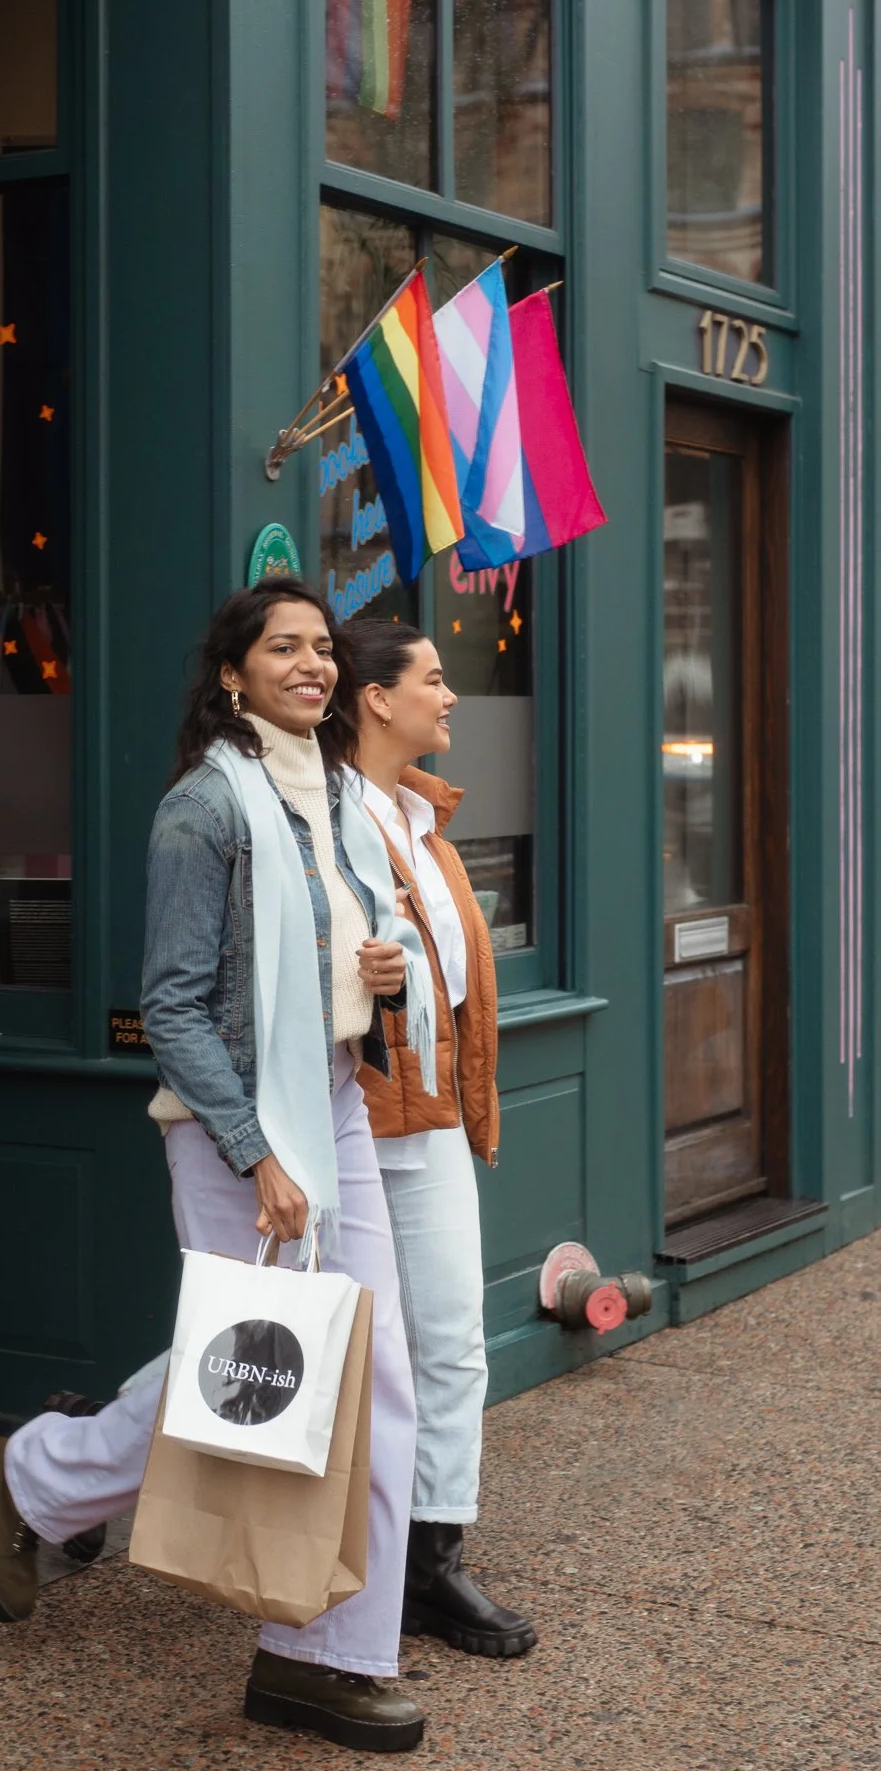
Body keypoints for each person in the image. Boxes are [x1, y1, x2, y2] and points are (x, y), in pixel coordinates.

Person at [0, 579, 430, 1752]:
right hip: (239, 1127)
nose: (313, 664)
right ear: (234, 673)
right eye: (285, 648)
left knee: (363, 1373)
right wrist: (255, 1149)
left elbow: (369, 953)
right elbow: (170, 1007)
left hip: (333, 1103)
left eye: (324, 647)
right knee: (258, 1366)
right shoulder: (204, 808)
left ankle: (325, 1651)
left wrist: (381, 977)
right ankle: (31, 1477)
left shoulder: (337, 799)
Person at [347, 618, 537, 1658]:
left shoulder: (423, 821)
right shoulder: (335, 813)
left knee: (448, 1343)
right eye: (431, 676)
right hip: (359, 1120)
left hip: (432, 1120)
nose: (450, 693)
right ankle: (60, 1463)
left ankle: (429, 1561)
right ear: (375, 697)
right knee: (317, 1353)